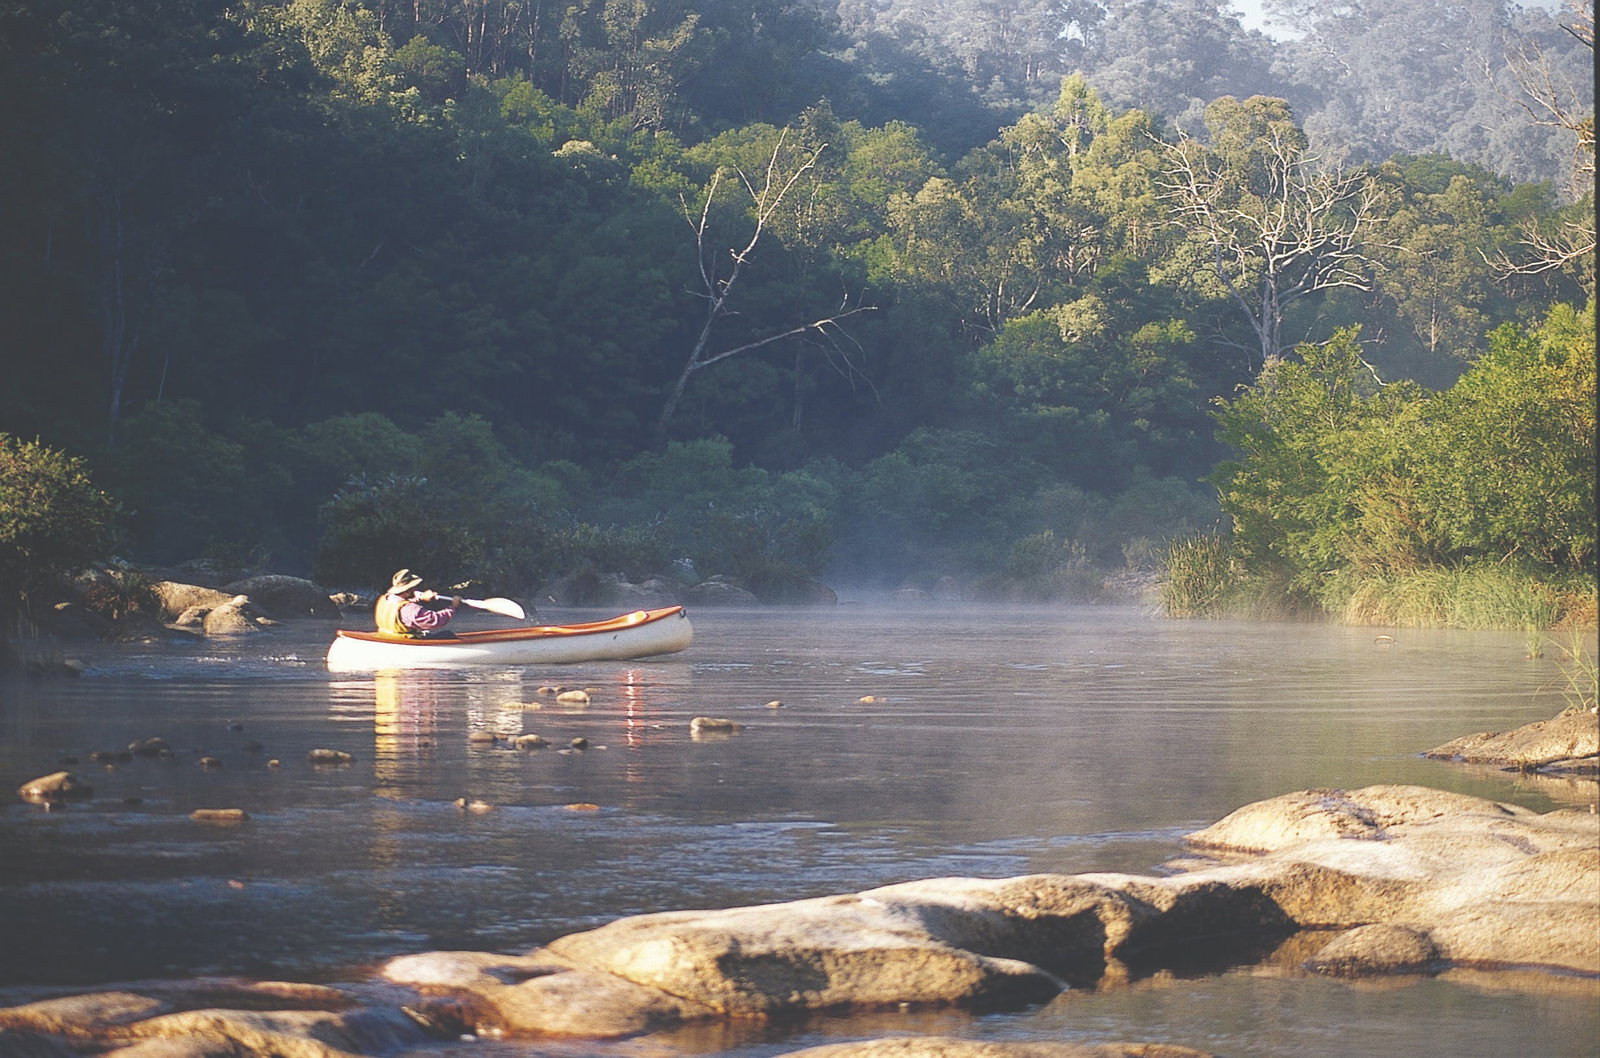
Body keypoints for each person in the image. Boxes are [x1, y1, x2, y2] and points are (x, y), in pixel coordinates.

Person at [375, 569, 460, 637]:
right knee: (448, 634)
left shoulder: (385, 598)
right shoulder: (411, 609)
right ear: (407, 591)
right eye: (414, 587)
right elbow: (434, 620)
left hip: (386, 636)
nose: (416, 589)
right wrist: (453, 607)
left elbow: (402, 605)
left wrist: (421, 598)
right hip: (405, 640)